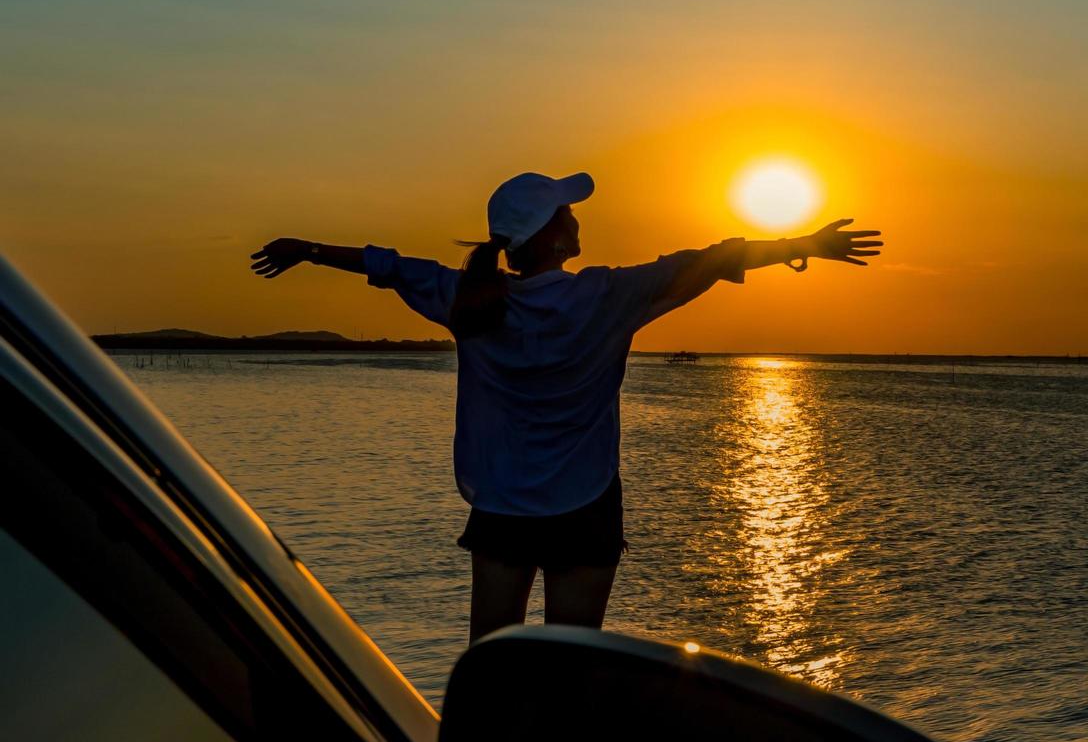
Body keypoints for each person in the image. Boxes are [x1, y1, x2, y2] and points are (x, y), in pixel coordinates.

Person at [249, 171, 881, 641]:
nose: (576, 219)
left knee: (493, 659)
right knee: (572, 665)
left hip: (501, 506)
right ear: (553, 236)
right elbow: (710, 260)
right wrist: (805, 243)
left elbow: (388, 266)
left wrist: (307, 250)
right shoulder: (605, 295)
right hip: (585, 504)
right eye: (566, 212)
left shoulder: (466, 296)